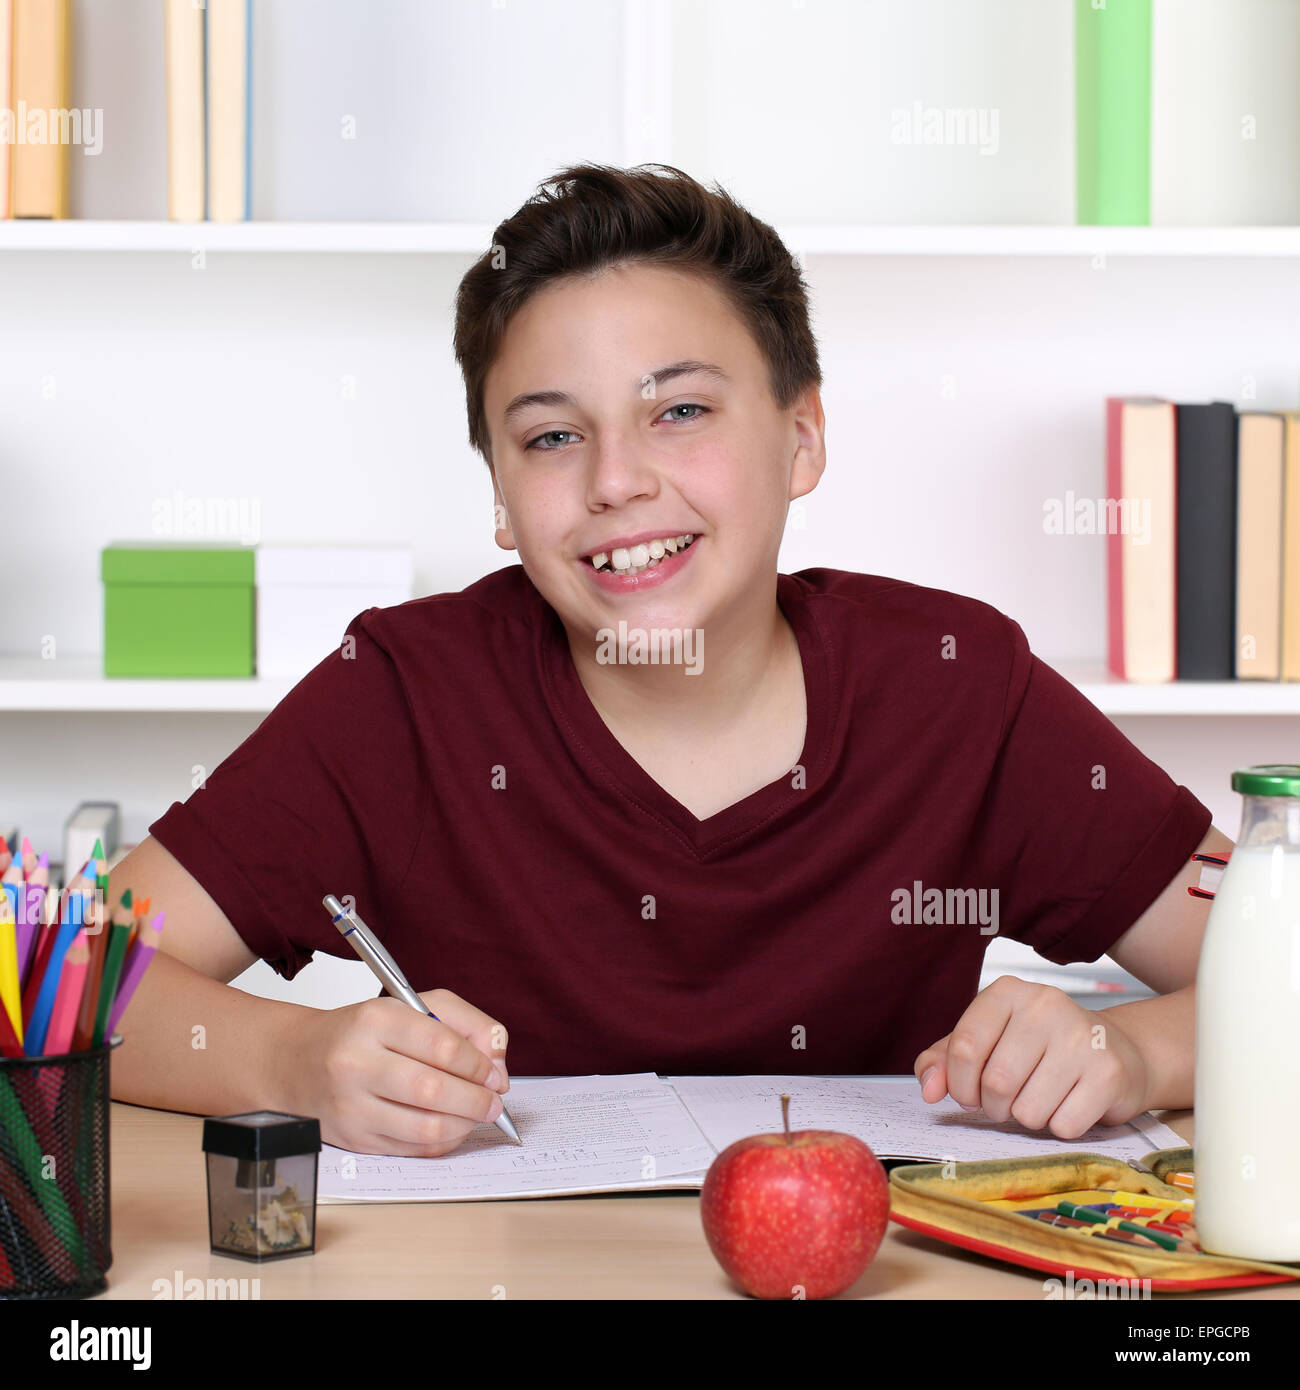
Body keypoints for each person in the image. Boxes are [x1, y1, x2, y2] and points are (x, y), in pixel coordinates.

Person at [109, 163, 1231, 1158]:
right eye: (552, 435)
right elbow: (55, 984)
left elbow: (1275, 959)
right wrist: (293, 1062)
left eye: (679, 409)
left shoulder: (956, 685)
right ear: (500, 495)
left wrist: (1129, 1051)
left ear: (801, 437)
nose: (615, 481)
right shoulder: (401, 696)